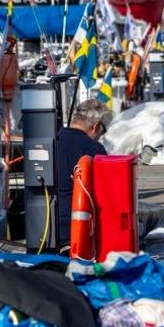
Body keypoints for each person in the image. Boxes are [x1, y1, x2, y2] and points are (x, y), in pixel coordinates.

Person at [56, 99, 112, 246]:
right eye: (102, 131)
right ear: (96, 126)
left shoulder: (52, 141)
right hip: (78, 230)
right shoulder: (94, 149)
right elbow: (106, 197)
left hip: (45, 228)